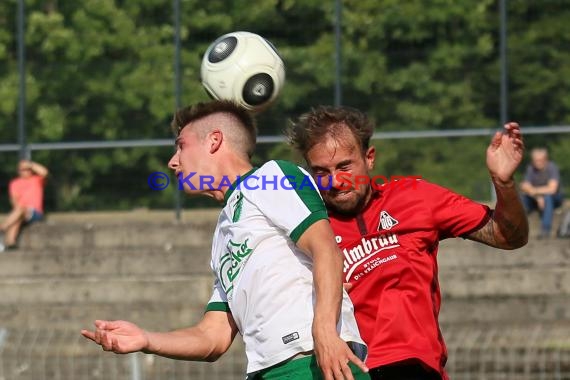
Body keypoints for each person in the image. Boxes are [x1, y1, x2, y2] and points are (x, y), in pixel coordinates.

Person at [82, 100, 370, 380]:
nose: (173, 162)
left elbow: (326, 251)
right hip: (268, 370)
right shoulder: (222, 232)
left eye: (181, 145)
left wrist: (324, 332)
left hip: (313, 362)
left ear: (214, 141)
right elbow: (213, 337)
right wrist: (145, 339)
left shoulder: (271, 177)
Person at [287, 106, 529, 380]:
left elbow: (509, 236)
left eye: (344, 166)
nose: (336, 181)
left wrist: (503, 183)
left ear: (369, 158)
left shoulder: (416, 197)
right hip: (351, 371)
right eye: (322, 172)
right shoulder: (307, 229)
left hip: (416, 367)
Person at [0, 159, 48, 251]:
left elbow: (44, 172)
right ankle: (10, 243)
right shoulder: (15, 183)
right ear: (18, 171)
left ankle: (2, 228)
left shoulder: (37, 180)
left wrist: (30, 164)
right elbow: (14, 200)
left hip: (36, 212)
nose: (25, 171)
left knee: (21, 210)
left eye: (27, 169)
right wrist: (18, 210)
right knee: (18, 217)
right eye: (23, 169)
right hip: (21, 211)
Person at [519, 147, 564, 239]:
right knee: (520, 197)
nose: (537, 163)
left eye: (540, 160)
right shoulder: (530, 168)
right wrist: (538, 197)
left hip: (555, 199)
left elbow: (552, 189)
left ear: (545, 159)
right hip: (536, 199)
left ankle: (545, 230)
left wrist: (534, 191)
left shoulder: (552, 167)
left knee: (548, 197)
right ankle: (517, 228)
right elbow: (524, 186)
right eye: (535, 160)